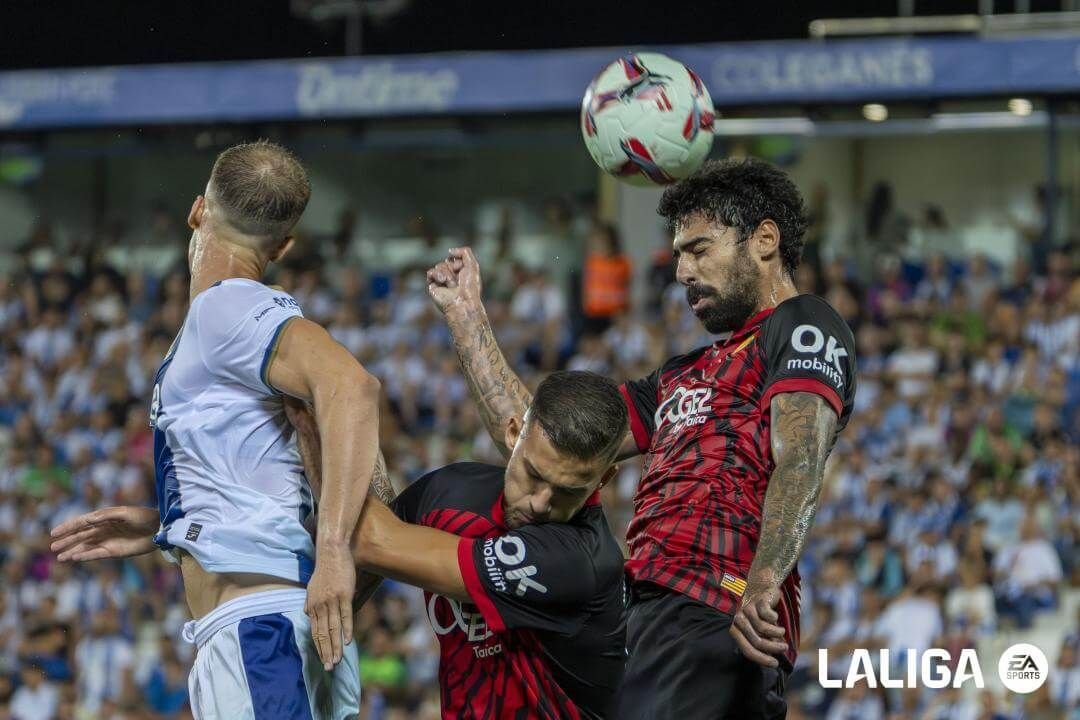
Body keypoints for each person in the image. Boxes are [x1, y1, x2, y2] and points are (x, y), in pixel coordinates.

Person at [426, 158, 857, 719]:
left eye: (699, 249)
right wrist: (467, 319)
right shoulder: (681, 374)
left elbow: (799, 457)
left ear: (765, 241)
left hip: (714, 605)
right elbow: (545, 444)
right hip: (638, 612)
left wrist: (763, 582)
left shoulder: (803, 322)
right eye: (679, 253)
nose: (681, 271)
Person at [51, 371, 628, 719]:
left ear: (601, 483)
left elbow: (366, 538)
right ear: (512, 434)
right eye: (532, 473)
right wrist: (175, 526)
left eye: (568, 491)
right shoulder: (453, 493)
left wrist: (325, 422)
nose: (539, 502)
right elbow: (350, 534)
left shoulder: (577, 560)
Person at [54, 141, 382, 718]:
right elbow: (260, 478)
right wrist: (168, 529)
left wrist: (334, 551)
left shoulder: (225, 308)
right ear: (281, 246)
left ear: (197, 210)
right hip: (260, 631)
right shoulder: (225, 323)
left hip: (262, 636)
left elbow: (353, 387)